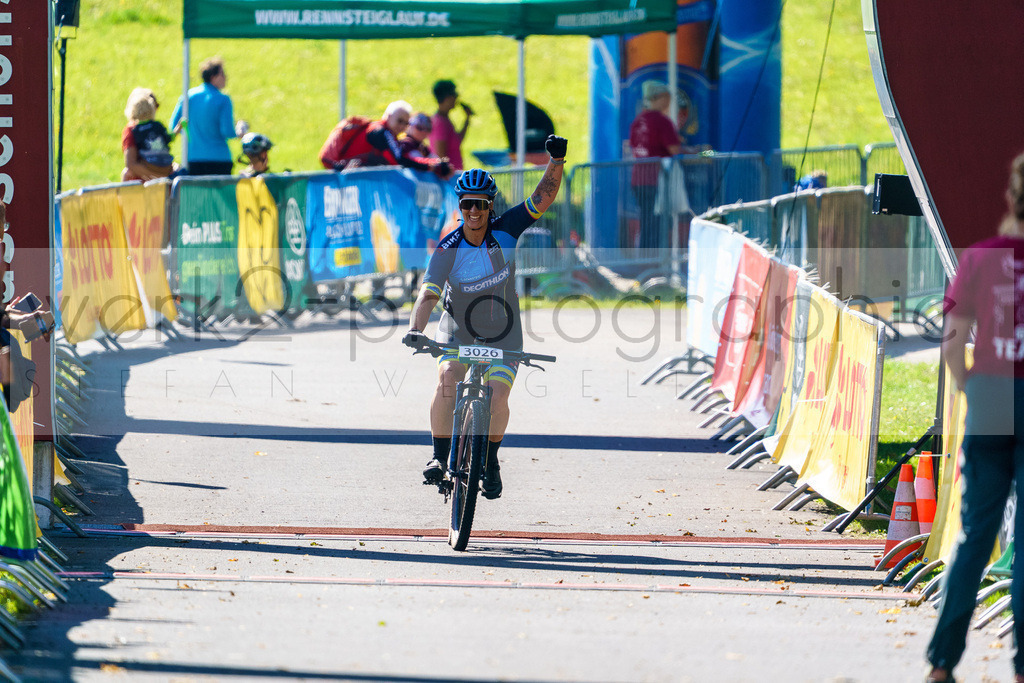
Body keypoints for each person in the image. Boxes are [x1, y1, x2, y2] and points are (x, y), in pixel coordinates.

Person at [403, 134, 568, 499]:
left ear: (490, 205)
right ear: (460, 207)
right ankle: (438, 457)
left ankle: (490, 460)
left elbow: (542, 197)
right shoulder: (449, 248)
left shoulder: (506, 229)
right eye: (467, 205)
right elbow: (428, 294)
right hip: (458, 327)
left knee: (497, 396)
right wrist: (416, 329)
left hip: (503, 329)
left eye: (480, 204)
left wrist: (555, 161)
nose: (474, 212)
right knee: (447, 378)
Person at [925, 152, 1024, 683]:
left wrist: (971, 386)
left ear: (1010, 199)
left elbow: (952, 342)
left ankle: (943, 663)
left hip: (991, 395)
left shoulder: (982, 258)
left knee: (974, 537)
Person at [319, 101, 450, 177]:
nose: (402, 126)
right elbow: (398, 160)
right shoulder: (380, 131)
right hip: (349, 179)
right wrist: (431, 166)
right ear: (388, 116)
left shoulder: (386, 133)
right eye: (399, 121)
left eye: (406, 123)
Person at [169, 57, 248, 176]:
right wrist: (240, 131)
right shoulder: (223, 100)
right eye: (222, 73)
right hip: (219, 160)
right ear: (213, 77)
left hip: (193, 159)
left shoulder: (188, 96)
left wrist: (193, 138)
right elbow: (227, 132)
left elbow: (174, 127)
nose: (226, 77)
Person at [629, 80, 682, 251]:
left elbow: (633, 146)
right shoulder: (662, 121)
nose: (669, 102)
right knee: (656, 224)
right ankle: (654, 263)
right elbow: (674, 149)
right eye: (667, 97)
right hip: (656, 179)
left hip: (638, 178)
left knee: (646, 222)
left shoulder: (638, 120)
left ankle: (645, 261)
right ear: (659, 98)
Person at [120, 88, 176, 182]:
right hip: (141, 185)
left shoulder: (155, 127)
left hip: (157, 181)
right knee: (126, 173)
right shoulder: (132, 130)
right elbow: (131, 164)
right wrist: (159, 177)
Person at [430, 79, 473, 171]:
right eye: (454, 95)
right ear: (447, 98)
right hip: (448, 179)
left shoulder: (445, 120)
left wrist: (467, 119)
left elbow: (457, 141)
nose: (456, 98)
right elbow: (440, 155)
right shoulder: (440, 123)